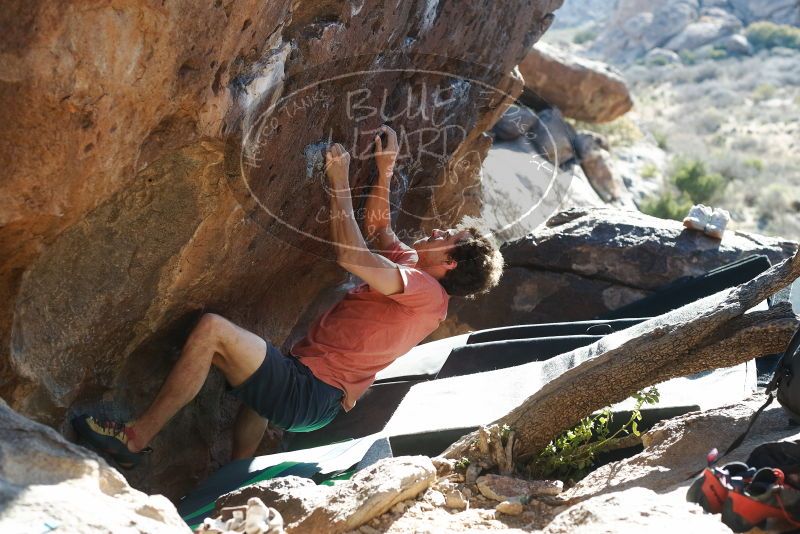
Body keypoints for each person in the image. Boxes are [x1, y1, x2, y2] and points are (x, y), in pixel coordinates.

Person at [73, 125, 504, 468]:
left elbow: (353, 256)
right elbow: (379, 230)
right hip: (310, 391)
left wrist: (337, 181)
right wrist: (385, 168)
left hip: (309, 393)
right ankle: (232, 476)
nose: (440, 231)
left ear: (450, 264)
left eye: (450, 237)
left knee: (212, 332)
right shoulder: (415, 269)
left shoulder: (427, 293)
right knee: (261, 382)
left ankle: (135, 438)